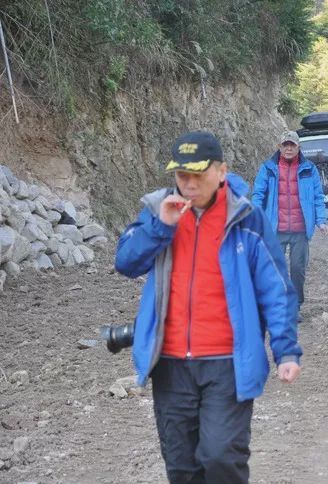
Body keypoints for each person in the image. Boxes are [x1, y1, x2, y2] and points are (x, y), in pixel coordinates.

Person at [115, 131, 302, 483]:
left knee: (220, 458)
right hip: (170, 364)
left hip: (226, 363)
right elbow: (125, 262)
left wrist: (286, 351)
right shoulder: (159, 210)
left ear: (221, 171)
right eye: (181, 175)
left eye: (198, 174)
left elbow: (276, 289)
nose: (188, 183)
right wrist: (161, 227)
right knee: (181, 468)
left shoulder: (247, 217)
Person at [251, 130, 328, 314]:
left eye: (292, 145)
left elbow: (318, 197)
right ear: (279, 146)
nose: (288, 148)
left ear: (298, 147)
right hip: (275, 228)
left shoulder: (309, 169)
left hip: (300, 229)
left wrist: (321, 220)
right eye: (285, 144)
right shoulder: (268, 168)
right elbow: (258, 194)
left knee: (297, 269)